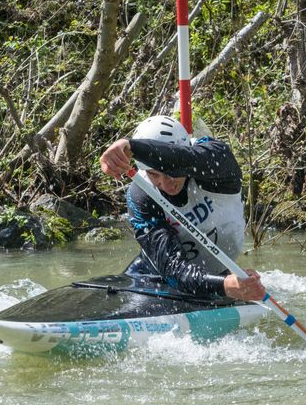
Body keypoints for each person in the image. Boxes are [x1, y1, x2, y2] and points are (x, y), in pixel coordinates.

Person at [99, 115, 266, 301]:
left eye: (170, 173)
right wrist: (225, 285)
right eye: (154, 175)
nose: (165, 183)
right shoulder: (141, 193)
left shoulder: (215, 160)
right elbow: (172, 270)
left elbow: (181, 158)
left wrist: (131, 146)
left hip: (215, 278)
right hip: (152, 278)